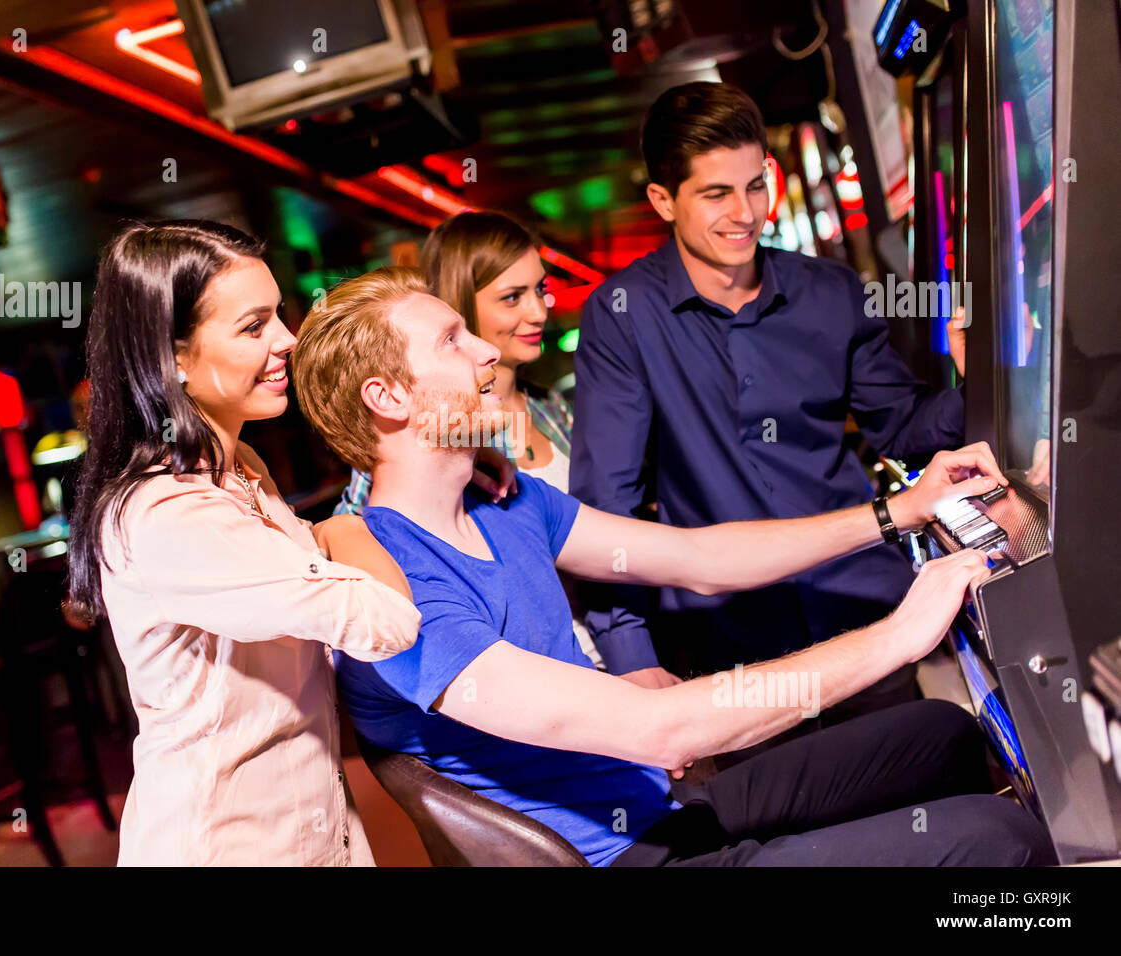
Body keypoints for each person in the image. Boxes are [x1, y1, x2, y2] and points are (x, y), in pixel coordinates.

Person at [289, 266, 1054, 867]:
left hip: (662, 808)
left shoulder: (506, 505)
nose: (487, 351)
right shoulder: (394, 593)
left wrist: (900, 510)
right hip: (630, 858)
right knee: (998, 839)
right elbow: (662, 729)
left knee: (939, 733)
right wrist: (899, 634)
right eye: (453, 342)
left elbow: (702, 558)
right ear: (387, 397)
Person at [66, 220, 492, 865]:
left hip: (313, 823)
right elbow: (385, 620)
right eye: (253, 326)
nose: (288, 340)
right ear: (172, 358)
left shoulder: (244, 469)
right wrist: (349, 527)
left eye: (279, 317)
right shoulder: (166, 514)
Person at [570, 82, 968, 752]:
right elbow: (608, 506)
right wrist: (631, 655)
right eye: (716, 194)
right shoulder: (623, 316)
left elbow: (902, 429)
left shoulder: (832, 292)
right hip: (729, 649)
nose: (746, 212)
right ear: (663, 201)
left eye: (756, 186)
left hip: (862, 617)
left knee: (929, 799)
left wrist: (972, 373)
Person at [335, 210, 606, 669]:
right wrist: (333, 530)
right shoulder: (424, 441)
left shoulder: (553, 408)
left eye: (539, 290)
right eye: (512, 297)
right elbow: (362, 536)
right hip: (513, 672)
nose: (538, 311)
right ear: (463, 303)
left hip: (596, 647)